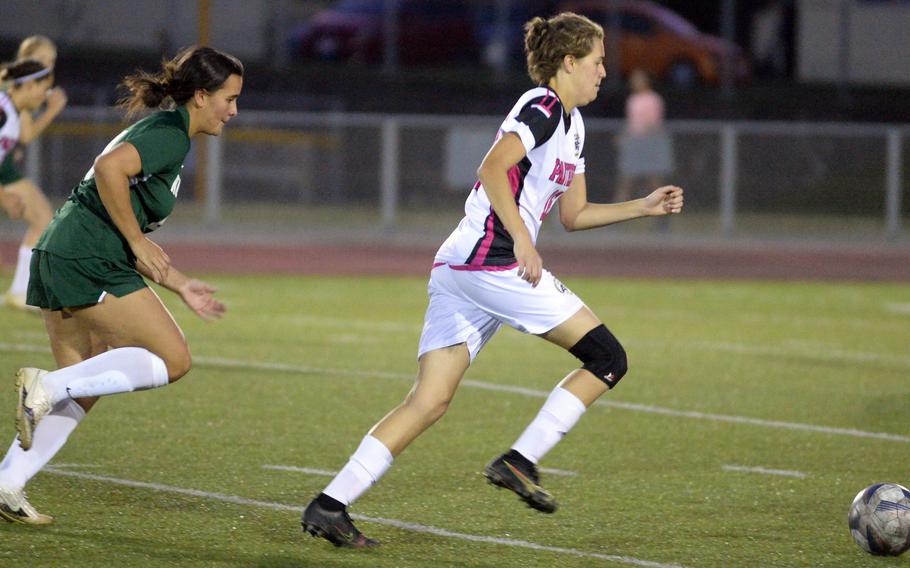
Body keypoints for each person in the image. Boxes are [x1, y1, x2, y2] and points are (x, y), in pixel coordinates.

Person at [301, 12, 684, 548]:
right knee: (608, 358)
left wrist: (642, 207)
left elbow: (573, 216)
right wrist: (524, 240)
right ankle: (520, 460)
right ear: (569, 62)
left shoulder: (571, 125)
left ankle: (329, 504)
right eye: (597, 62)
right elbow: (491, 167)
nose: (604, 72)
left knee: (429, 401)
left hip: (464, 267)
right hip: (492, 262)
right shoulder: (543, 104)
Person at [0, 46, 242, 525]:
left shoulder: (165, 132)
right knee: (174, 360)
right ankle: (45, 385)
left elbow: (123, 205)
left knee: (83, 388)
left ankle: (7, 483)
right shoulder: (171, 136)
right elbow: (110, 169)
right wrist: (134, 239)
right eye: (229, 98)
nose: (233, 110)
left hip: (65, 248)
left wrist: (180, 284)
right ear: (200, 96)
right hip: (86, 255)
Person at [2, 36, 68, 311]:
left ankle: (20, 290)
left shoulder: (14, 110)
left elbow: (23, 135)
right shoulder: (6, 104)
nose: (51, 67)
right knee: (42, 216)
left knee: (42, 217)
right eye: (46, 59)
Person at [613, 68, 675, 205]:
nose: (634, 82)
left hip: (648, 145)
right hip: (634, 145)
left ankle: (663, 217)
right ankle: (614, 220)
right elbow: (631, 123)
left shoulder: (653, 99)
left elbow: (653, 123)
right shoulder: (632, 99)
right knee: (626, 180)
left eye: (638, 79)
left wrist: (639, 136)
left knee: (654, 181)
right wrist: (623, 136)